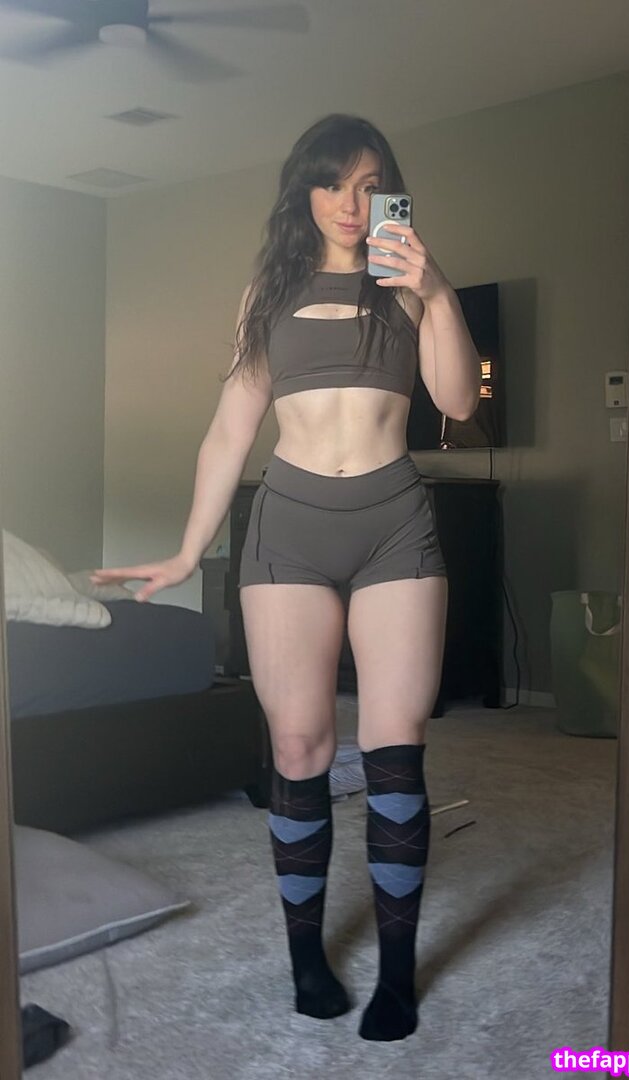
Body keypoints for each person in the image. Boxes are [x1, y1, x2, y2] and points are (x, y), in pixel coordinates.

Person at [91, 113, 481, 1042]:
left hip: (394, 526)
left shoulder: (410, 286)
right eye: (331, 182)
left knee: (394, 751)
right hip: (289, 532)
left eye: (368, 184)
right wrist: (188, 550)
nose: (349, 203)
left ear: (388, 194)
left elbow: (458, 401)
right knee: (299, 746)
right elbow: (230, 430)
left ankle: (396, 975)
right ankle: (306, 957)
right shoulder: (266, 293)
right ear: (303, 191)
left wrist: (436, 290)